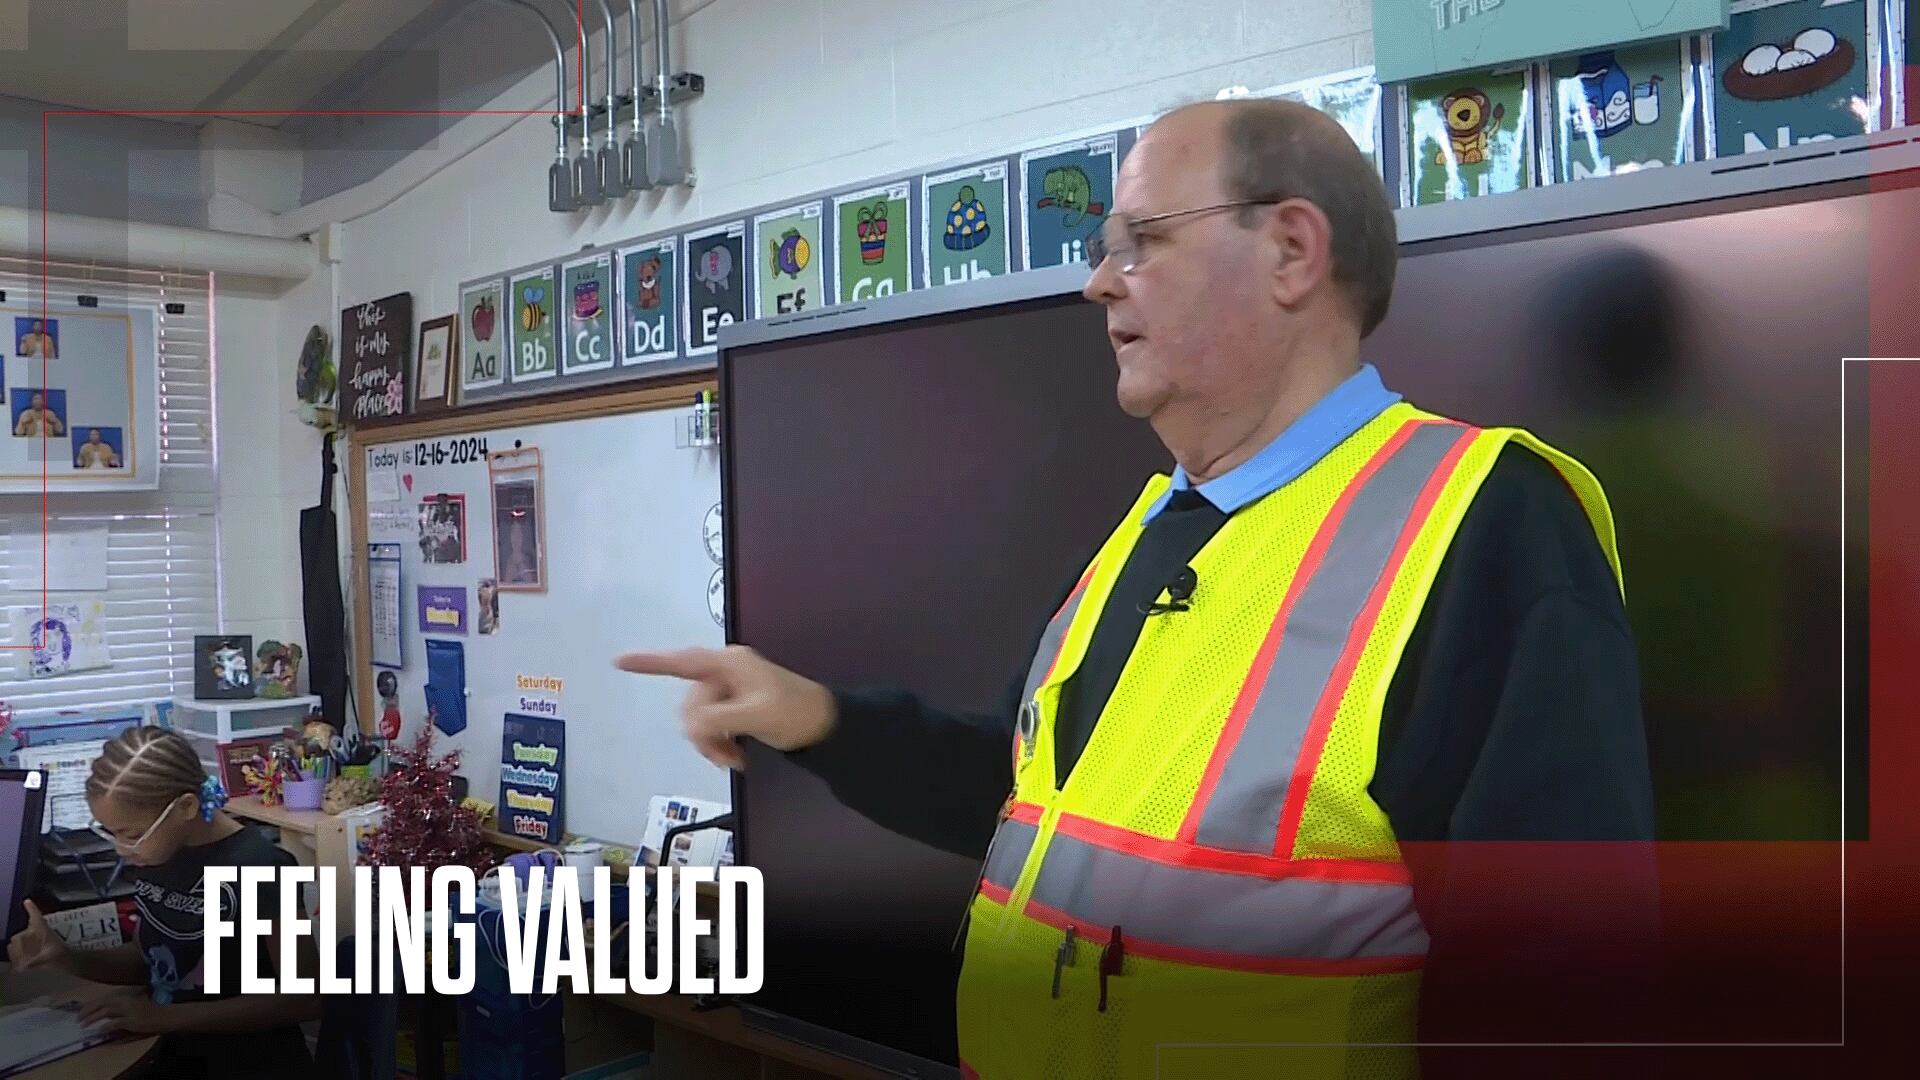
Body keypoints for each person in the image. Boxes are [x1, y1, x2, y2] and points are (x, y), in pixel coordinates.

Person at [619, 99, 1652, 1079]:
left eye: (1141, 240)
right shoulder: (1148, 532)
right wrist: (821, 720)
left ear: (1292, 250)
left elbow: (1561, 998)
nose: (1098, 284)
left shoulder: (1485, 525)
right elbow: (1036, 808)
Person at [6, 728, 319, 1079]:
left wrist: (163, 1017)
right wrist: (66, 956)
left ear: (185, 806)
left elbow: (305, 999)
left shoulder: (261, 865)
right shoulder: (159, 855)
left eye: (131, 834)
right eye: (111, 832)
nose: (121, 849)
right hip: (169, 1053)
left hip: (250, 1065)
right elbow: (152, 961)